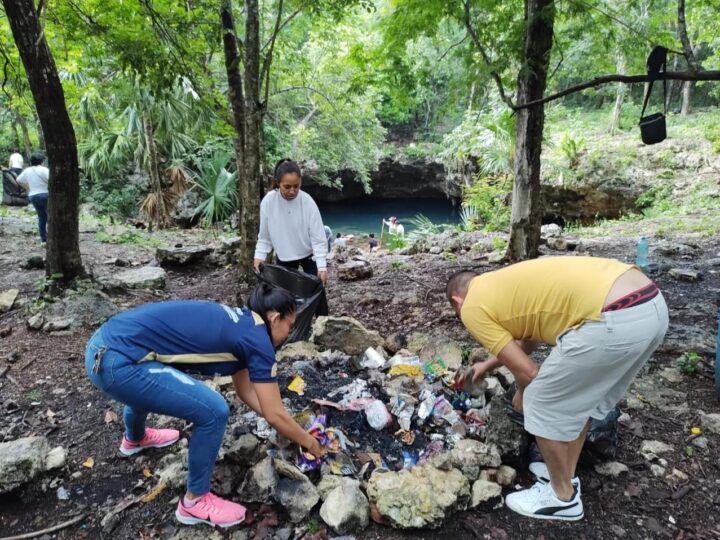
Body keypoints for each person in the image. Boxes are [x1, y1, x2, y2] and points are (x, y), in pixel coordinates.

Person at [85, 285, 327, 528]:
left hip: (106, 344)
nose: (289, 333)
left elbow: (246, 392)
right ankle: (195, 502)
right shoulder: (258, 342)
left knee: (154, 368)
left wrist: (289, 426)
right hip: (116, 364)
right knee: (214, 410)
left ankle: (136, 439)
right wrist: (311, 443)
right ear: (274, 319)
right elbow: (274, 414)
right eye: (290, 325)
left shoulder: (244, 324)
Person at [447, 256, 668, 521]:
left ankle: (561, 498)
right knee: (583, 400)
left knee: (539, 400)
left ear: (457, 302)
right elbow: (529, 341)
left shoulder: (471, 307)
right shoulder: (505, 285)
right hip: (650, 304)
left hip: (613, 317)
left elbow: (528, 371)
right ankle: (565, 476)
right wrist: (485, 366)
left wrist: (522, 391)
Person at [254, 159, 328, 286]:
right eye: (287, 187)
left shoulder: (307, 201)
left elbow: (318, 238)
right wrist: (259, 255)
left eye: (296, 186)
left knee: (314, 292)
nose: (292, 191)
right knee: (285, 296)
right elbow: (265, 236)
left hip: (310, 255)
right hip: (284, 256)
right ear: (278, 183)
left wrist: (321, 266)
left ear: (300, 182)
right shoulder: (269, 202)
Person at [17, 153, 49, 243]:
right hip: (45, 194)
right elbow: (51, 180)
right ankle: (54, 237)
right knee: (50, 216)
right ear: (41, 161)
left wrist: (28, 187)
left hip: (33, 196)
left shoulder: (27, 170)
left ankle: (44, 239)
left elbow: (18, 180)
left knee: (41, 217)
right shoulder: (44, 169)